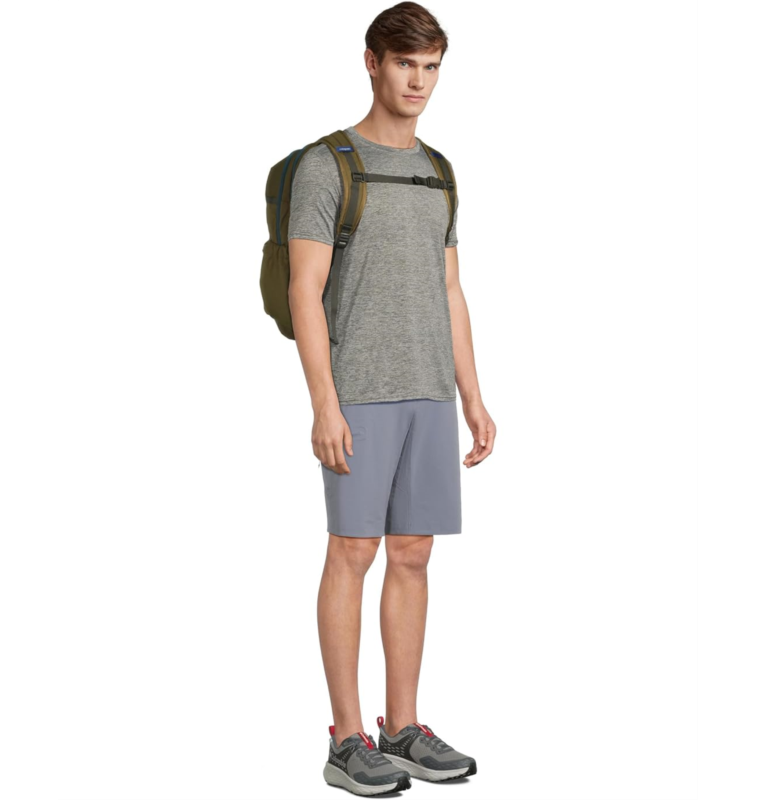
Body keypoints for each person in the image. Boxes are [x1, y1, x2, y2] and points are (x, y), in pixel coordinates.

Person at [287, 2, 496, 794]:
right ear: (372, 62)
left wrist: (472, 396)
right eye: (406, 63)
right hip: (361, 393)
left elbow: (450, 287)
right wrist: (324, 403)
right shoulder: (328, 165)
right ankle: (346, 741)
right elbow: (306, 290)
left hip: (429, 394)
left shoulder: (438, 170)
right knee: (353, 552)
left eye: (431, 66)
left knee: (413, 554)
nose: (419, 81)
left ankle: (401, 728)